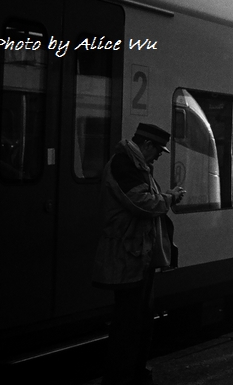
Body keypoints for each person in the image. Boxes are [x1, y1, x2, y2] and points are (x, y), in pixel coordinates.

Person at [93, 123, 186, 385]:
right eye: (158, 151)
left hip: (138, 256)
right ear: (146, 145)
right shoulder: (123, 165)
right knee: (129, 322)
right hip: (127, 255)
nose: (158, 157)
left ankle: (134, 372)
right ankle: (121, 377)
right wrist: (169, 198)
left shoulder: (136, 166)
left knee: (140, 319)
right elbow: (142, 202)